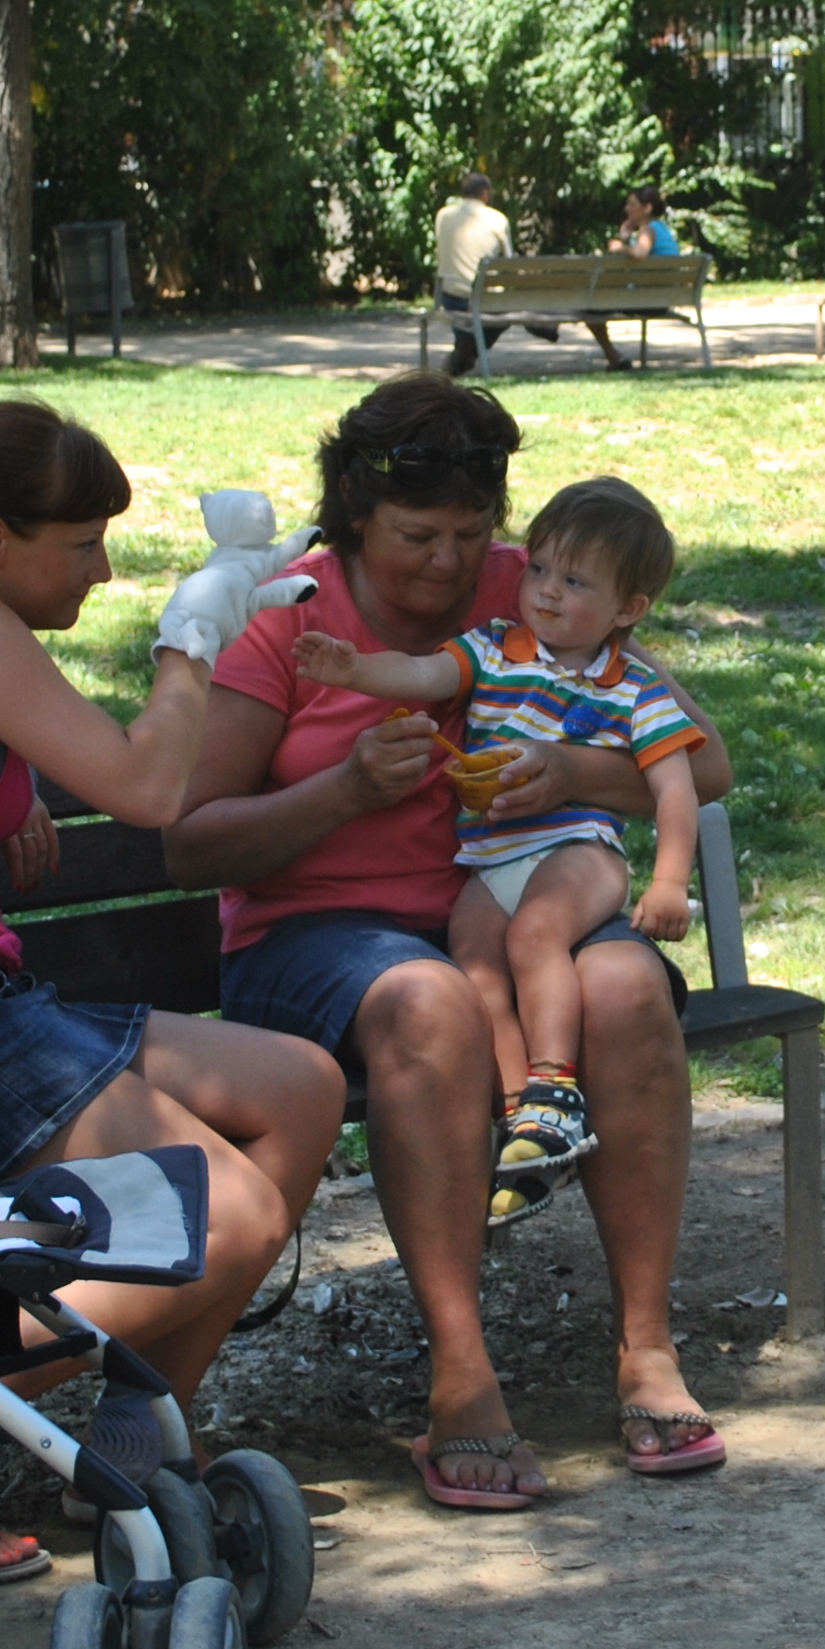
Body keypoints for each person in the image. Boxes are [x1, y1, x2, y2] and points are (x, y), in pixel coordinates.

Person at [0, 400, 345, 1585]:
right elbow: (147, 790)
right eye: (80, 545)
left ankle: (135, 1426)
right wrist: (192, 640)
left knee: (297, 1085)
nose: (102, 570)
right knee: (227, 1213)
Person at [167, 373, 735, 1511]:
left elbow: (702, 763)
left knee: (626, 985)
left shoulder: (538, 586)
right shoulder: (287, 614)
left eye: (470, 534)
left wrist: (571, 772)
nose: (449, 563)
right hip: (318, 939)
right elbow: (190, 842)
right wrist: (340, 791)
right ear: (353, 515)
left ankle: (645, 1345)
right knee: (428, 1000)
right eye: (415, 536)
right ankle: (462, 1372)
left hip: (515, 905)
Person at [290, 476, 702, 1223]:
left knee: (535, 935)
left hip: (579, 850)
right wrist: (355, 671)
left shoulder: (635, 688)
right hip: (493, 860)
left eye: (574, 582)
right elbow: (421, 673)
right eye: (538, 569)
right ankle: (525, 1118)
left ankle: (553, 1085)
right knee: (474, 959)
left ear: (628, 609)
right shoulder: (493, 649)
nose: (545, 591)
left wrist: (669, 880)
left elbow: (678, 788)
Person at [432, 168, 549, 375]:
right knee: (504, 310)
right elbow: (509, 264)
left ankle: (464, 354)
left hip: (450, 297)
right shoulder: (497, 219)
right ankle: (468, 353)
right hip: (486, 301)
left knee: (479, 322)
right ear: (485, 194)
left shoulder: (443, 215)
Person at [585, 186, 679, 371]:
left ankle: (614, 357)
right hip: (662, 297)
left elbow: (639, 253)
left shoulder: (648, 230)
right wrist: (626, 240)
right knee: (594, 302)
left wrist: (620, 246)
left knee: (591, 303)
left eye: (632, 204)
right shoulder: (661, 229)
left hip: (647, 300)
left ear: (647, 208)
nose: (627, 208)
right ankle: (613, 357)